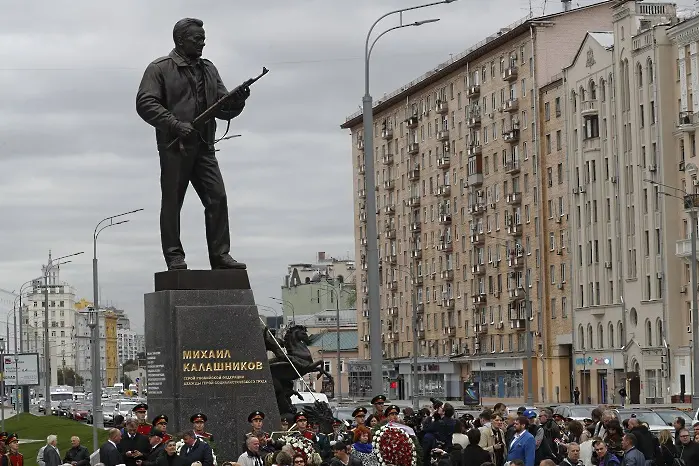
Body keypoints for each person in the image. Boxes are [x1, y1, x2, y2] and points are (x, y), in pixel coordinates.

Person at [136, 17, 250, 271]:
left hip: (204, 146)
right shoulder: (160, 68)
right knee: (173, 202)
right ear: (180, 40)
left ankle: (221, 255)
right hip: (175, 147)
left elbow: (222, 107)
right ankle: (174, 256)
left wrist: (238, 101)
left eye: (203, 39)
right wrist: (175, 124)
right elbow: (146, 103)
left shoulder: (209, 69)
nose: (202, 43)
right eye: (197, 39)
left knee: (217, 197)